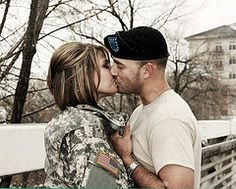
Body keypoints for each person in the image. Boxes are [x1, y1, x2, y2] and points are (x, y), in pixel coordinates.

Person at [104, 26, 201, 189]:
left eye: (120, 66)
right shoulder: (142, 110)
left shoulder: (168, 119)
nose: (113, 71)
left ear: (147, 70)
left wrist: (127, 159)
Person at [44, 42, 131, 188]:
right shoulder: (85, 128)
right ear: (84, 74)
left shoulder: (71, 120)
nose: (113, 71)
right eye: (105, 65)